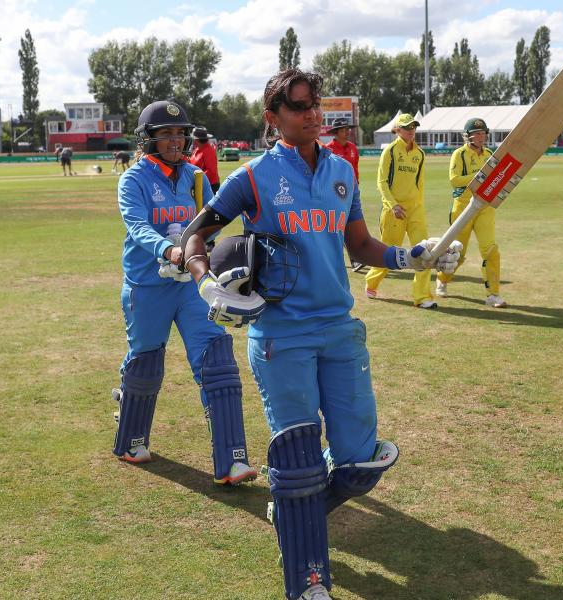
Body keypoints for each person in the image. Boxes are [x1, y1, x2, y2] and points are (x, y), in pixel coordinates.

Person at [178, 68, 460, 600]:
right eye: (298, 106)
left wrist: (413, 256)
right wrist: (207, 285)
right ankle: (307, 576)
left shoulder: (342, 173)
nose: (312, 115)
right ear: (273, 118)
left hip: (339, 330)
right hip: (281, 335)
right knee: (300, 455)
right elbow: (198, 236)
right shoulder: (253, 177)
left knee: (359, 462)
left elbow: (362, 248)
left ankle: (292, 503)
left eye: (316, 105)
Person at [112, 99, 258, 487]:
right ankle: (131, 438)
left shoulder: (196, 176)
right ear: (148, 139)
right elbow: (139, 228)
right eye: (167, 134)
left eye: (180, 134)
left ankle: (232, 460)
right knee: (145, 364)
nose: (176, 140)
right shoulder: (134, 180)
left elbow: (208, 224)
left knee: (218, 360)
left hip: (191, 286)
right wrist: (169, 249)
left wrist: (207, 251)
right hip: (148, 288)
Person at [364, 113, 436, 308]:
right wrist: (392, 205)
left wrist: (419, 209)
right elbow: (382, 182)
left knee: (426, 251)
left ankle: (422, 297)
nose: (411, 130)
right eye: (407, 127)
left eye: (413, 127)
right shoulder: (390, 151)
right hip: (393, 210)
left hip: (415, 210)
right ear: (397, 130)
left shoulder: (419, 154)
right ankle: (372, 281)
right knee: (389, 252)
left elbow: (419, 185)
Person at [435, 118, 507, 308]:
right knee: (458, 254)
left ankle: (493, 294)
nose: (481, 137)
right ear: (468, 136)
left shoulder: (490, 154)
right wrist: (481, 177)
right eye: (477, 134)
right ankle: (442, 278)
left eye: (483, 133)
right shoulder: (459, 154)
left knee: (491, 251)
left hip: (485, 208)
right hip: (463, 208)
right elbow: (455, 180)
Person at [324, 117, 364, 272]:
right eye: (343, 130)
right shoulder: (328, 149)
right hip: (331, 193)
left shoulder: (353, 148)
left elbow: (355, 169)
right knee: (338, 225)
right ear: (336, 132)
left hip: (350, 193)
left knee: (350, 225)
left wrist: (356, 186)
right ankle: (349, 260)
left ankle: (354, 260)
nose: (347, 132)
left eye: (348, 129)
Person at [189, 126, 221, 193]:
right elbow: (191, 162)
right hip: (199, 185)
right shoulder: (198, 149)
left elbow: (211, 171)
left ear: (196, 140)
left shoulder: (209, 151)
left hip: (209, 186)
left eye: (192, 138)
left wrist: (196, 179)